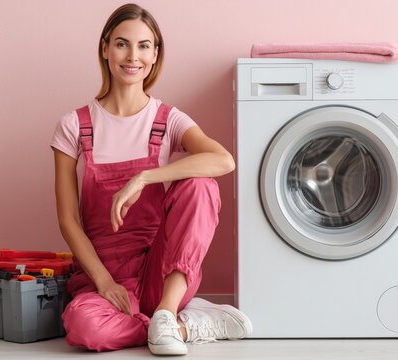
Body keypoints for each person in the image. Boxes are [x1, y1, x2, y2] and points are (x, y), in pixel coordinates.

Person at [50, 3, 252, 355]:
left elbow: (223, 160)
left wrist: (146, 177)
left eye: (145, 45)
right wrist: (104, 281)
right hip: (106, 277)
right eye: (122, 43)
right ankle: (183, 326)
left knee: (200, 182)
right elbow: (68, 220)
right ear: (105, 48)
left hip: (163, 274)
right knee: (83, 327)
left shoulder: (168, 119)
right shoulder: (74, 125)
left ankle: (167, 311)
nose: (133, 56)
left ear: (156, 54)